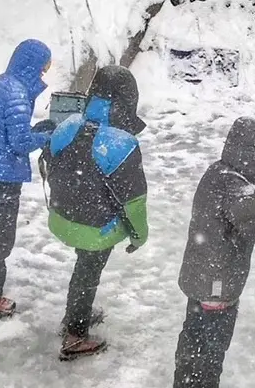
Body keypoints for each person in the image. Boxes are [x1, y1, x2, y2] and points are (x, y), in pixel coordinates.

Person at [174, 118, 255, 388]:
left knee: (193, 340)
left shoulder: (217, 173)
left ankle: (184, 382)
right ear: (254, 154)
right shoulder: (235, 187)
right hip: (219, 283)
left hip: (198, 276)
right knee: (211, 351)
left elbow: (240, 214)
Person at [46, 65, 149, 361]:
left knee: (84, 265)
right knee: (89, 269)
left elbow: (53, 167)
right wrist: (139, 237)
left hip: (62, 218)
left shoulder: (68, 125)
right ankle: (75, 334)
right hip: (96, 229)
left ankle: (76, 312)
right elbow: (135, 203)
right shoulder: (122, 144)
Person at [0, 39, 53, 318]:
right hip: (2, 177)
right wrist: (45, 137)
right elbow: (19, 142)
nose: (42, 75)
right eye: (43, 70)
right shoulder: (18, 93)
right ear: (32, 65)